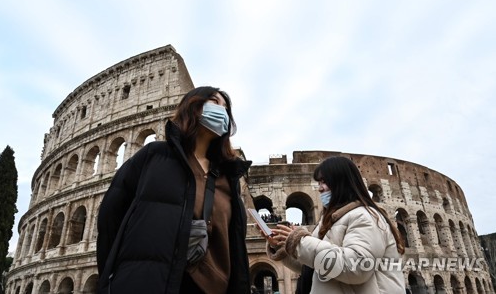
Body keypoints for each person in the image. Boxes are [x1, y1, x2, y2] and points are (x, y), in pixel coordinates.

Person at [96, 86, 252, 294]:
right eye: (215, 102)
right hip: (149, 281)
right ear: (193, 105)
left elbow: (234, 245)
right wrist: (115, 279)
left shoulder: (228, 177)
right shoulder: (153, 156)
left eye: (226, 108)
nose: (221, 111)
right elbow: (110, 217)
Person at [260, 156, 406, 294]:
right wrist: (284, 246)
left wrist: (300, 242)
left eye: (324, 182)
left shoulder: (365, 217)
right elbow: (314, 267)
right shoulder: (330, 221)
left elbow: (357, 267)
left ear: (341, 182)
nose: (319, 188)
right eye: (319, 183)